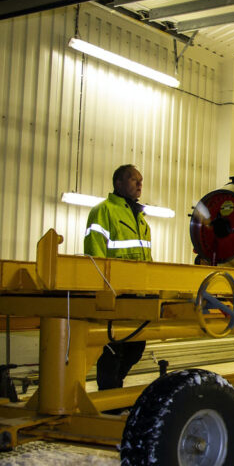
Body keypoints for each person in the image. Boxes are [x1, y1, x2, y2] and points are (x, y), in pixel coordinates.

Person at [84, 164, 152, 390]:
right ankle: (109, 396)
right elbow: (94, 254)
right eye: (134, 180)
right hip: (113, 295)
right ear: (118, 183)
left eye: (141, 180)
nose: (140, 184)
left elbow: (147, 259)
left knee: (136, 347)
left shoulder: (142, 220)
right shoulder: (103, 211)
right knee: (113, 350)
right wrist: (103, 290)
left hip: (137, 296)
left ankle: (115, 389)